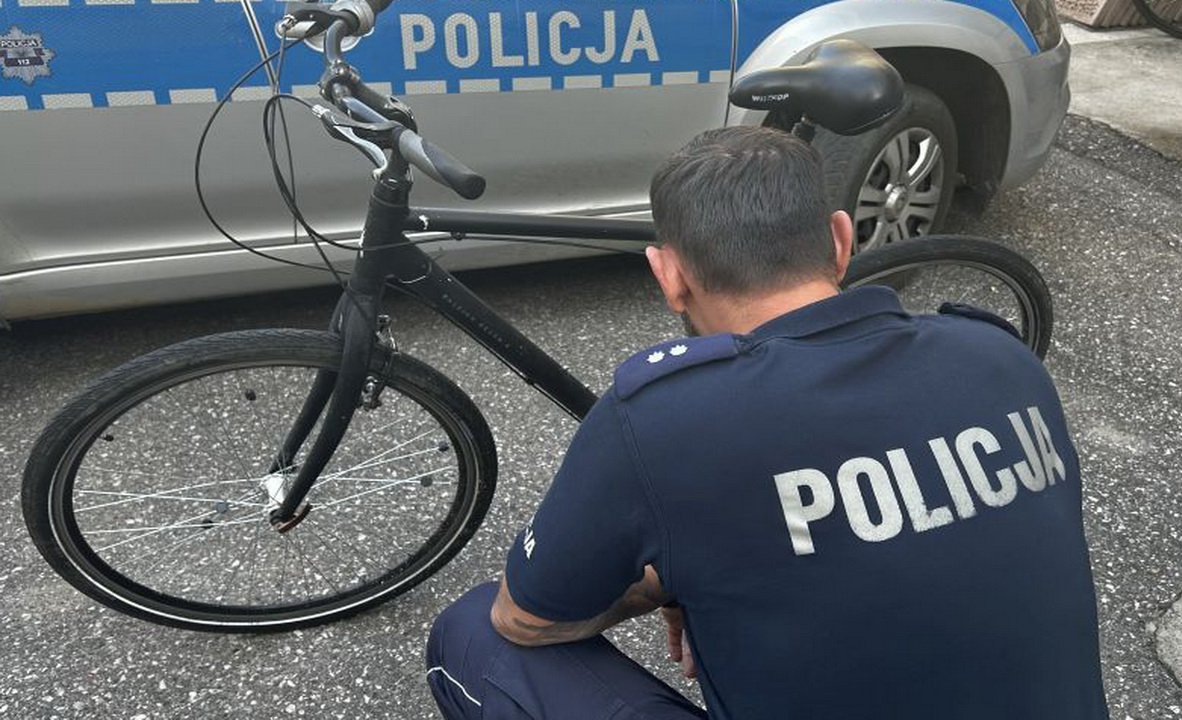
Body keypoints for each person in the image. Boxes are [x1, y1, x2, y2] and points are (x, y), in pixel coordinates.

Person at [425, 125, 1110, 719]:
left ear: (668, 276)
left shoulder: (661, 416)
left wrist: (665, 582)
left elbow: (526, 619)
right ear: (841, 240)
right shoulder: (1001, 356)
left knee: (471, 632)